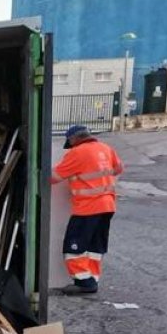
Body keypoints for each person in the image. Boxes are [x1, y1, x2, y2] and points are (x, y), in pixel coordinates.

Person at [50, 124, 123, 295]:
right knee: (94, 245)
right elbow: (119, 169)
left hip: (87, 208)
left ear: (74, 139)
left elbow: (53, 178)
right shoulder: (106, 148)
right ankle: (92, 280)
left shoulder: (76, 153)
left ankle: (83, 281)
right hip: (108, 206)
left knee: (73, 246)